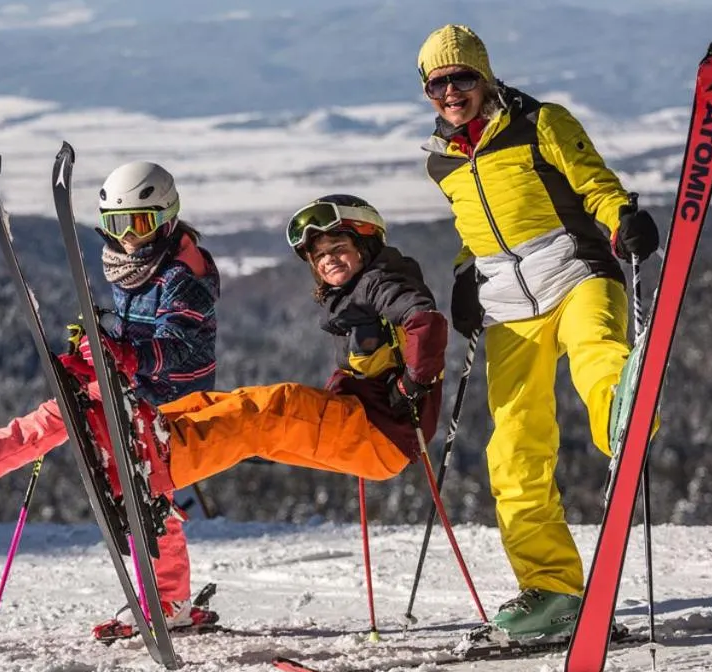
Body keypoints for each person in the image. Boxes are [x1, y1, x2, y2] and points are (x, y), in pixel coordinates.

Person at [415, 23, 661, 641]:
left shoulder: (540, 123)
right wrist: (466, 276)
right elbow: (475, 230)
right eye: (437, 84)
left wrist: (623, 219)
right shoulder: (441, 162)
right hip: (507, 307)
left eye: (461, 77)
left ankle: (624, 421)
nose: (451, 92)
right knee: (514, 450)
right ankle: (552, 589)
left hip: (576, 271)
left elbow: (595, 185)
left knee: (598, 355)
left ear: (486, 75)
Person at [0, 160, 221, 635]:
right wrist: (96, 350)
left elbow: (184, 348)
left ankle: (169, 600)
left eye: (139, 225)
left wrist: (120, 355)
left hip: (170, 401)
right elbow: (135, 337)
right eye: (116, 226)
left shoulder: (185, 273)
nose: (128, 238)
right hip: (133, 386)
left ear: (166, 215)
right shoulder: (140, 264)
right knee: (58, 418)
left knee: (145, 493)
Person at [96, 195, 449, 529]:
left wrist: (413, 385)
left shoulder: (381, 282)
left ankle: (156, 468)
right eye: (319, 255)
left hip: (381, 434)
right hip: (371, 428)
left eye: (338, 248)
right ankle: (150, 430)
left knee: (265, 411)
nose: (328, 260)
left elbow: (425, 320)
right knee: (230, 405)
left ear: (366, 245)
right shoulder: (359, 292)